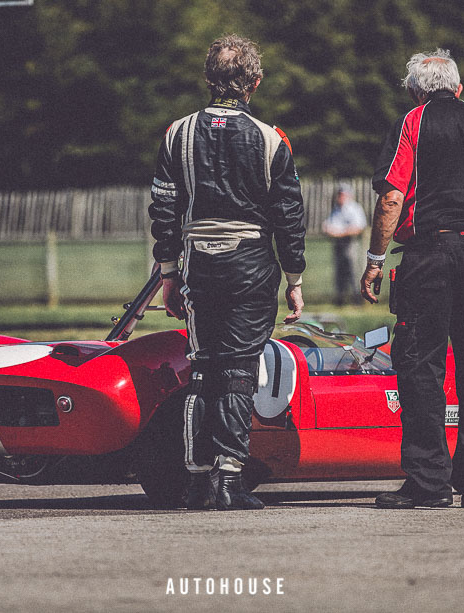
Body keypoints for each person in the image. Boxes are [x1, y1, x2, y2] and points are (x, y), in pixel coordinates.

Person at [360, 49, 464, 510]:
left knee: (420, 366)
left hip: (430, 253)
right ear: (459, 87)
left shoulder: (412, 123)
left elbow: (392, 197)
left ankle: (429, 481)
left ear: (416, 91)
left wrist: (375, 259)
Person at [148, 34, 306, 511]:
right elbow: (289, 216)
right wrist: (295, 280)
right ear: (253, 84)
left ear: (208, 80)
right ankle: (228, 480)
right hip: (251, 265)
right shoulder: (271, 138)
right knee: (238, 372)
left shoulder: (177, 133)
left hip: (199, 263)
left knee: (202, 370)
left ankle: (197, 479)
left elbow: (164, 207)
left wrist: (168, 273)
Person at [322, 183, 367, 305]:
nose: (340, 197)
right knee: (339, 272)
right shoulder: (336, 209)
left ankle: (358, 298)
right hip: (338, 244)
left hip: (350, 243)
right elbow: (328, 225)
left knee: (353, 271)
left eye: (343, 194)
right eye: (339, 194)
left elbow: (358, 227)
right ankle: (340, 298)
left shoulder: (355, 209)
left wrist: (340, 233)